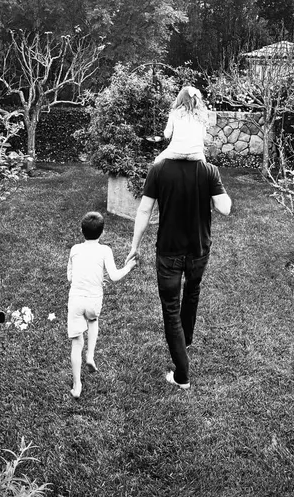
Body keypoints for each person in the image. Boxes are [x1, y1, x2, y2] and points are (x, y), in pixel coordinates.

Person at [126, 159, 231, 390]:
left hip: (169, 251)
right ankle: (187, 342)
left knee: (171, 307)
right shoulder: (209, 170)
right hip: (198, 251)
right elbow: (225, 207)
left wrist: (135, 246)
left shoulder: (159, 169)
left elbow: (144, 209)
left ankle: (182, 376)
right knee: (192, 292)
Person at [67, 211, 136, 399]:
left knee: (76, 343)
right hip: (93, 300)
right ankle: (90, 356)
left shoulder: (74, 249)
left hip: (76, 299)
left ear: (81, 231)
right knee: (93, 321)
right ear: (102, 232)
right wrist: (128, 267)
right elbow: (113, 276)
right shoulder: (105, 250)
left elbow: (70, 277)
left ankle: (77, 384)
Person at [153, 86, 208, 163]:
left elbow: (167, 134)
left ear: (180, 99)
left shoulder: (175, 113)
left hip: (176, 151)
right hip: (196, 154)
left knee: (156, 162)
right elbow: (204, 136)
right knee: (205, 169)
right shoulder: (201, 115)